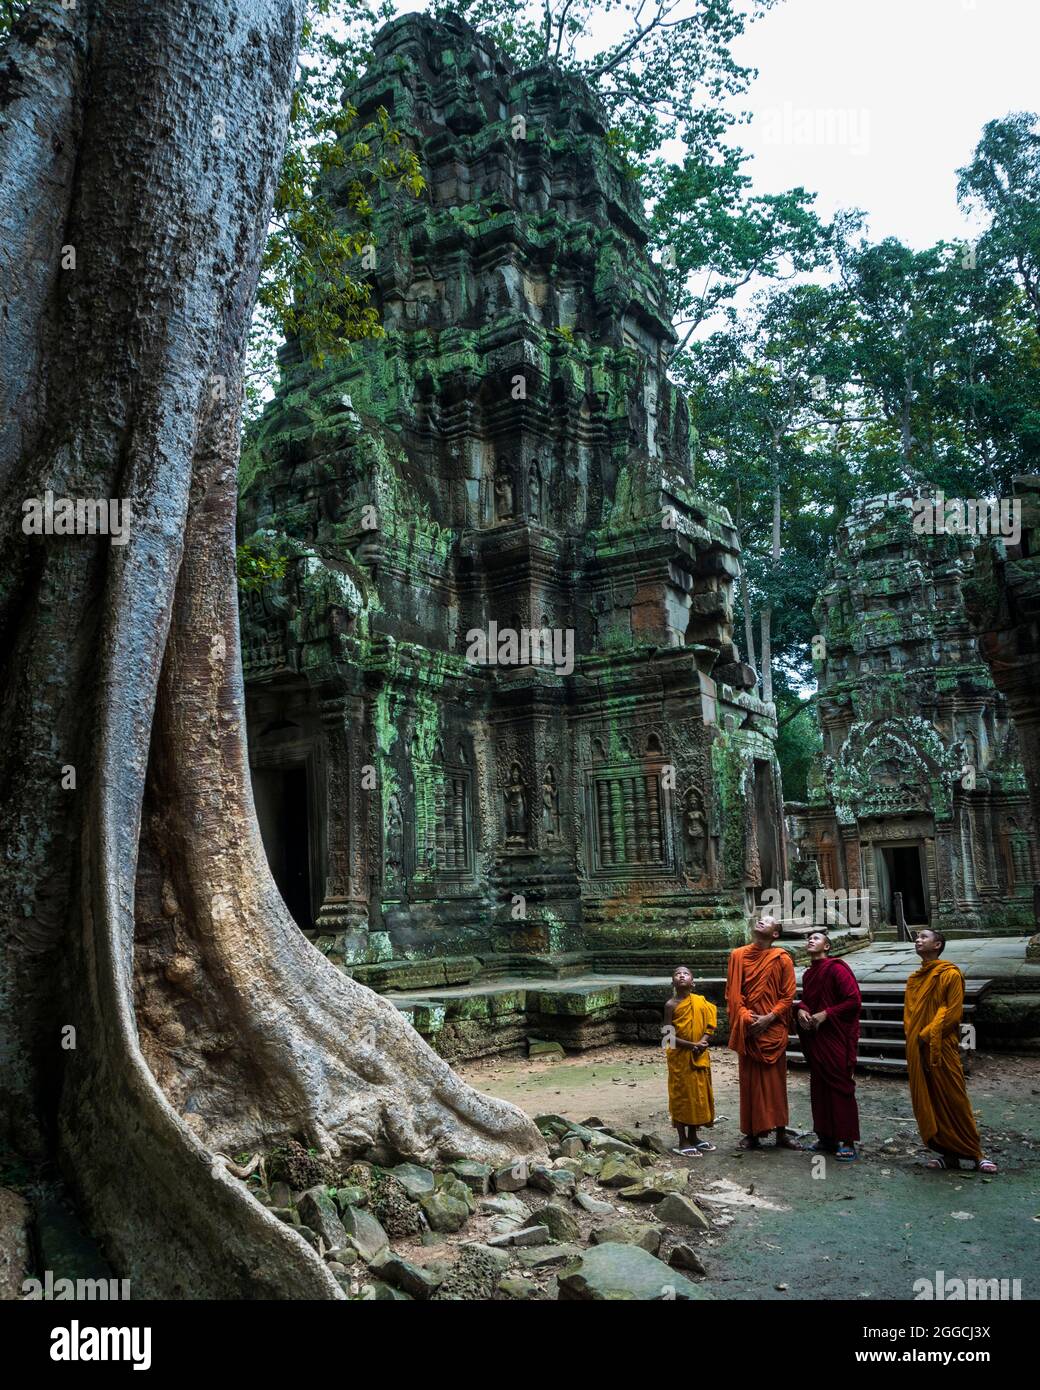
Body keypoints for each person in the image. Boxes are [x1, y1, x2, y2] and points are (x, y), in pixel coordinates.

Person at [904, 927, 997, 1173]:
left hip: (941, 1046)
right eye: (917, 937)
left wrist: (924, 1036)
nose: (918, 940)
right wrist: (915, 1038)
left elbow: (951, 1013)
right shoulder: (916, 978)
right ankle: (948, 1153)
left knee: (955, 1098)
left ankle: (976, 1153)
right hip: (918, 1046)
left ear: (938, 945)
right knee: (932, 1097)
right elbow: (911, 1015)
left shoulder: (950, 974)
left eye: (924, 937)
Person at [727, 914, 797, 1149]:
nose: (760, 922)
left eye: (767, 922)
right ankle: (752, 1134)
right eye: (760, 920)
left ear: (775, 934)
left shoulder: (782, 958)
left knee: (777, 1083)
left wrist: (769, 1018)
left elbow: (788, 996)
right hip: (749, 1028)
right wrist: (746, 1018)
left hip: (772, 1028)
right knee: (750, 1082)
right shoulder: (738, 956)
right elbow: (733, 994)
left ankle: (781, 1131)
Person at [794, 930, 861, 1160]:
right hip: (817, 1037)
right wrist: (802, 1007)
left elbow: (853, 1001)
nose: (810, 940)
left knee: (840, 1085)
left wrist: (826, 1014)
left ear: (827, 947)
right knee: (819, 1085)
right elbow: (809, 998)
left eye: (816, 938)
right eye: (809, 938)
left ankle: (848, 1140)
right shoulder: (810, 974)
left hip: (835, 1036)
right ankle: (826, 1137)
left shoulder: (837, 969)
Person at [663, 965, 717, 1155]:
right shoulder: (670, 1005)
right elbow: (667, 1036)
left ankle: (694, 1136)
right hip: (680, 1057)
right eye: (677, 973)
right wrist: (691, 1045)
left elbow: (710, 1026)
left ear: (692, 982)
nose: (681, 975)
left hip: (698, 1054)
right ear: (673, 982)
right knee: (682, 1096)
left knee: (697, 1095)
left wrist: (702, 1043)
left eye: (686, 973)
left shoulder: (700, 1002)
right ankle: (682, 1140)